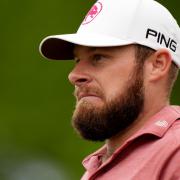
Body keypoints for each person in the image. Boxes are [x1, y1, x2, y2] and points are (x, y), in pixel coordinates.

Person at [39, 0, 180, 179]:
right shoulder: (96, 166)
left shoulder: (175, 154)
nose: (74, 75)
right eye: (77, 60)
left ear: (157, 65)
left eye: (98, 57)